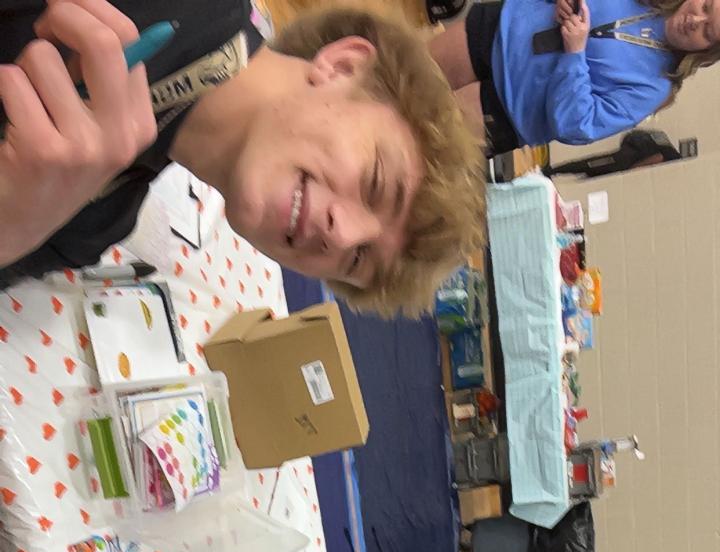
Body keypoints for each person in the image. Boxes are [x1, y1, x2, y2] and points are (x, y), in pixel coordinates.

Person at [0, 0, 483, 316]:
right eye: (376, 182)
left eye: (357, 259)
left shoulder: (93, 226)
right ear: (342, 66)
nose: (342, 235)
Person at [429, 0, 720, 155]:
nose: (694, 21)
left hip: (507, 111)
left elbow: (575, 126)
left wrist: (575, 54)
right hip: (501, 32)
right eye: (705, 7)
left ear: (708, 51)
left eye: (707, 31)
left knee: (418, 133)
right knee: (405, 78)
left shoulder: (655, 88)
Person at [548, 125, 681, 175]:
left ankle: (555, 171)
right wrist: (634, 169)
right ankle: (552, 171)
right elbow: (657, 158)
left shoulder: (672, 152)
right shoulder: (675, 160)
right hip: (631, 155)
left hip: (633, 145)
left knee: (592, 166)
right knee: (591, 165)